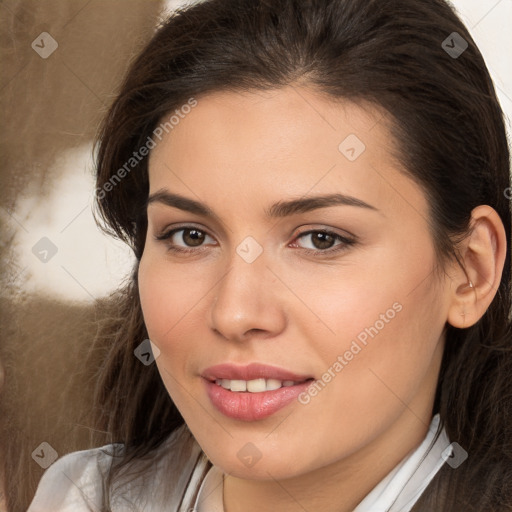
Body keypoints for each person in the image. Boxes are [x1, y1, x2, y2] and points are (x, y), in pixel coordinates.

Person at [27, 0, 512, 510]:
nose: (235, 313)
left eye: (320, 239)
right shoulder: (80, 497)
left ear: (470, 271)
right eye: (190, 236)